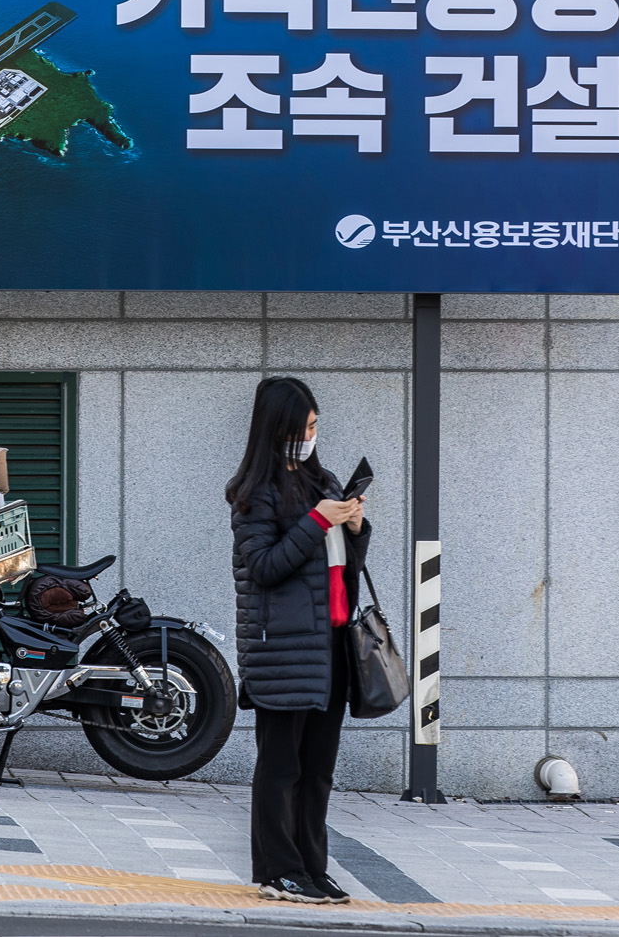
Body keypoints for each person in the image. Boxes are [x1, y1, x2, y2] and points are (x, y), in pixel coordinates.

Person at [227, 376, 369, 905]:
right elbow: (263, 567)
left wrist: (355, 527)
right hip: (281, 647)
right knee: (281, 765)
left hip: (331, 641)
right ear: (279, 428)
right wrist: (314, 522)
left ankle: (312, 866)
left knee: (318, 770)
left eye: (315, 426)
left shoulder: (324, 481)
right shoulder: (252, 494)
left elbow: (341, 566)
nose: (311, 435)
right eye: (304, 426)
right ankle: (277, 869)